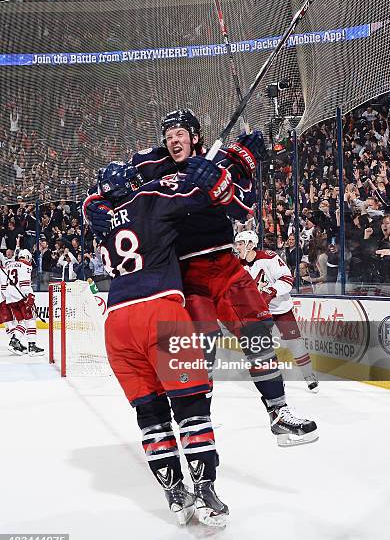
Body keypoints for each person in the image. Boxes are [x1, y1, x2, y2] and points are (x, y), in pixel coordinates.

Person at [85, 109, 318, 447]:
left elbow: (243, 209)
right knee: (198, 351)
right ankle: (195, 423)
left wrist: (221, 178)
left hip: (225, 264)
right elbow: (111, 184)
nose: (173, 141)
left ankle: (278, 413)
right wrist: (93, 202)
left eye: (179, 133)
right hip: (184, 273)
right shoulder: (149, 163)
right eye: (168, 136)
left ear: (195, 136)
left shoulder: (223, 160)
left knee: (257, 335)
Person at [92, 160, 233, 527]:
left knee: (150, 416)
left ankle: (174, 493)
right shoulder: (150, 198)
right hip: (159, 312)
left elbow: (97, 204)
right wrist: (214, 176)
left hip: (116, 324)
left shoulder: (103, 223)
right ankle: (205, 491)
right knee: (191, 408)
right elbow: (201, 200)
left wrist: (93, 201)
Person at [235, 230, 319, 392]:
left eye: (240, 244)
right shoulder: (238, 265)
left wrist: (270, 291)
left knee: (294, 342)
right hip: (259, 311)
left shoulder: (269, 257)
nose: (237, 247)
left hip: (280, 307)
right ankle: (275, 378)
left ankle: (309, 376)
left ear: (250, 245)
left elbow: (287, 279)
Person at [5, 249, 44, 356]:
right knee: (31, 319)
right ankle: (31, 346)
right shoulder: (26, 265)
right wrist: (30, 296)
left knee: (22, 321)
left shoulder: (9, 265)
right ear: (27, 257)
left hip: (10, 298)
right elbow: (24, 284)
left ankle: (15, 341)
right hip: (21, 297)